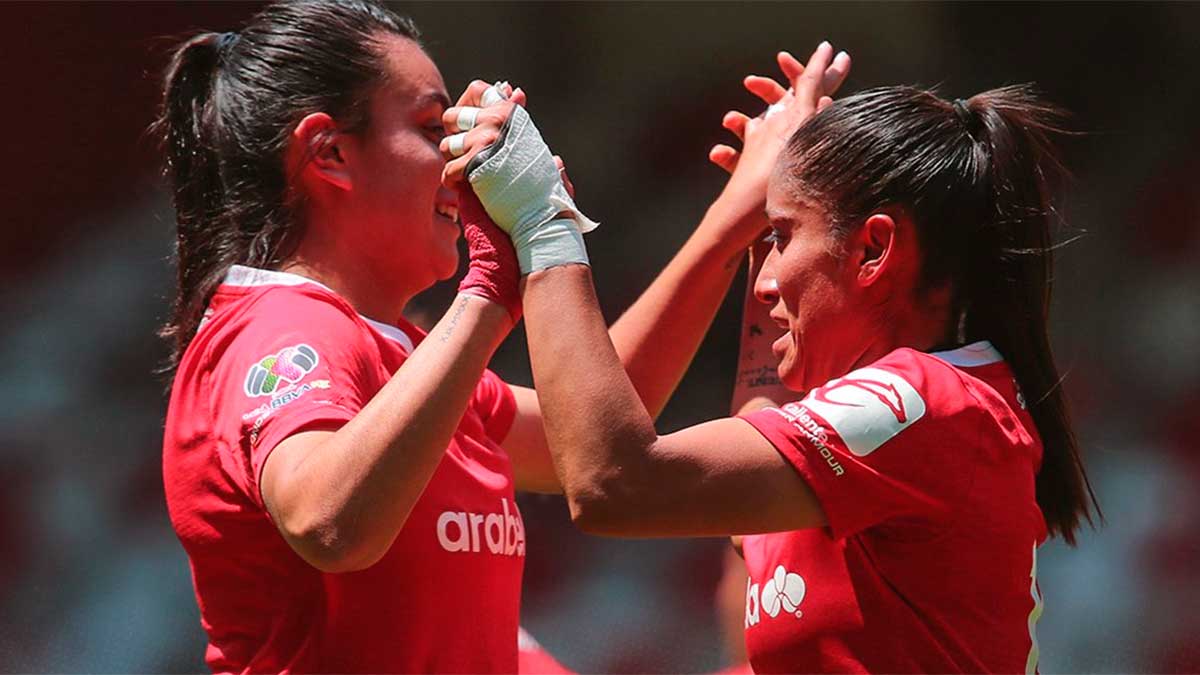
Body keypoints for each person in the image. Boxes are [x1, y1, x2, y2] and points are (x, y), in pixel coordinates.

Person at [155, 0, 850, 672]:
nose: (461, 166)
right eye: (435, 130)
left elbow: (587, 426)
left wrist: (732, 217)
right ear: (330, 153)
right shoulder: (279, 327)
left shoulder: (400, 349)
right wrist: (491, 288)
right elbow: (329, 522)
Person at [453, 51, 1099, 672]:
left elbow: (612, 483)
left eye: (784, 236)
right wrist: (747, 218)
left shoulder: (920, 401)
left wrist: (542, 219)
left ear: (874, 249)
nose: (764, 285)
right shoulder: (921, 413)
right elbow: (747, 503)